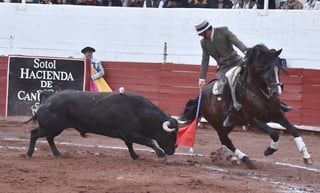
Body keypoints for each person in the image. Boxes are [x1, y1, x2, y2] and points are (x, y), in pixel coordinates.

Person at [194, 20, 292, 127]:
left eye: (202, 33)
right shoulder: (204, 42)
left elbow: (236, 41)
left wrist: (246, 51)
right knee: (224, 86)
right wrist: (202, 78)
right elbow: (205, 59)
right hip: (223, 68)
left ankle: (279, 105)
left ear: (208, 29)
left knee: (257, 78)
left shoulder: (223, 31)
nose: (201, 36)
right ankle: (230, 112)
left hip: (236, 62)